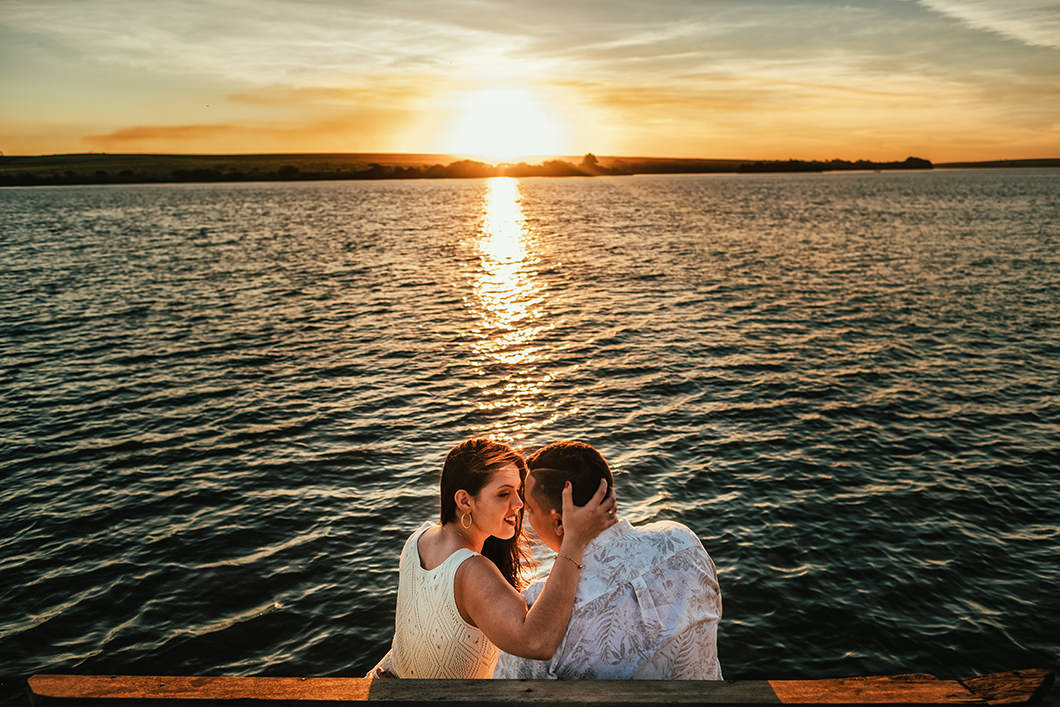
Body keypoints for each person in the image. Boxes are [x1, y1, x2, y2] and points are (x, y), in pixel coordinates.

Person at [371, 438, 616, 678]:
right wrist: (574, 539)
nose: (519, 503)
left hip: (393, 686)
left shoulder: (419, 538)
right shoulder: (472, 571)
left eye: (518, 491)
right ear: (465, 501)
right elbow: (536, 643)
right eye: (503, 494)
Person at [494, 440, 723, 680]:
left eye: (529, 509)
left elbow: (510, 690)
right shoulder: (683, 543)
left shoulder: (542, 612)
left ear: (560, 522)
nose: (525, 517)